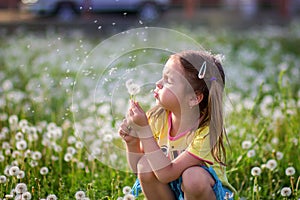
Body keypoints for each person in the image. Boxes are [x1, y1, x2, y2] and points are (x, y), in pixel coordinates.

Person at [119, 50, 236, 200]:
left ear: (194, 98)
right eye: (162, 77)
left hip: (209, 193)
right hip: (171, 190)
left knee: (193, 177)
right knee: (146, 164)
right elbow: (141, 171)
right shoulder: (157, 119)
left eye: (168, 81)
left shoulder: (206, 132)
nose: (158, 84)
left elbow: (166, 173)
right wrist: (132, 142)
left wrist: (144, 131)